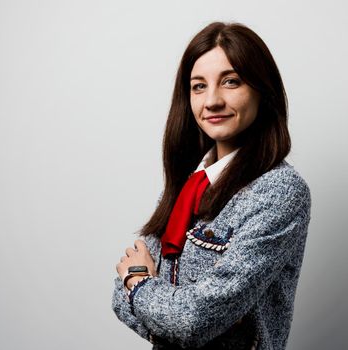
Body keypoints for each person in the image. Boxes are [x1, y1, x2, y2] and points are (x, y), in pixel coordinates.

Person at [112, 21, 311, 350]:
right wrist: (160, 305)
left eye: (231, 82)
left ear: (263, 90)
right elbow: (119, 298)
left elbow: (193, 319)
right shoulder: (186, 185)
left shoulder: (278, 192)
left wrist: (139, 282)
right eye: (198, 86)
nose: (212, 100)